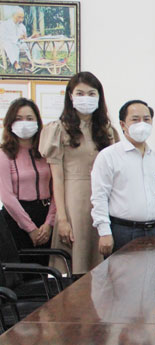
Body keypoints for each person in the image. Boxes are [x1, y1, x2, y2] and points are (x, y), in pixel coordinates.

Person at [39, 71, 119, 275]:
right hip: (74, 203)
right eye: (80, 93)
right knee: (75, 269)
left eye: (91, 94)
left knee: (103, 271)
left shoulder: (107, 130)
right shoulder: (59, 129)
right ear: (70, 96)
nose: (86, 98)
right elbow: (57, 179)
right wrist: (62, 219)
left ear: (99, 97)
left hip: (104, 202)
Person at [91, 100, 155, 256]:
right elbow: (99, 196)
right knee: (122, 279)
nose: (142, 124)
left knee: (150, 278)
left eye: (146, 119)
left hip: (152, 231)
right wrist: (104, 232)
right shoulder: (109, 156)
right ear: (123, 125)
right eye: (135, 119)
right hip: (123, 232)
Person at [0, 98, 55, 266]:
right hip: (17, 218)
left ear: (38, 122)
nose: (25, 123)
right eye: (18, 118)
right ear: (9, 123)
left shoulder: (46, 152)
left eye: (30, 118)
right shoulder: (5, 154)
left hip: (46, 215)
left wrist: (49, 223)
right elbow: (7, 197)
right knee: (22, 273)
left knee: (48, 271)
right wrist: (30, 228)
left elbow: (56, 190)